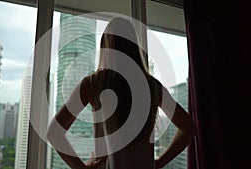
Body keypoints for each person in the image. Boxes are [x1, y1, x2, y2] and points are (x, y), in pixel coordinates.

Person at [46, 17, 196, 169]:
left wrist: (82, 168)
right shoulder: (152, 86)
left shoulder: (94, 83)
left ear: (105, 47)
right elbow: (188, 128)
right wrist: (158, 163)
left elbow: (53, 133)